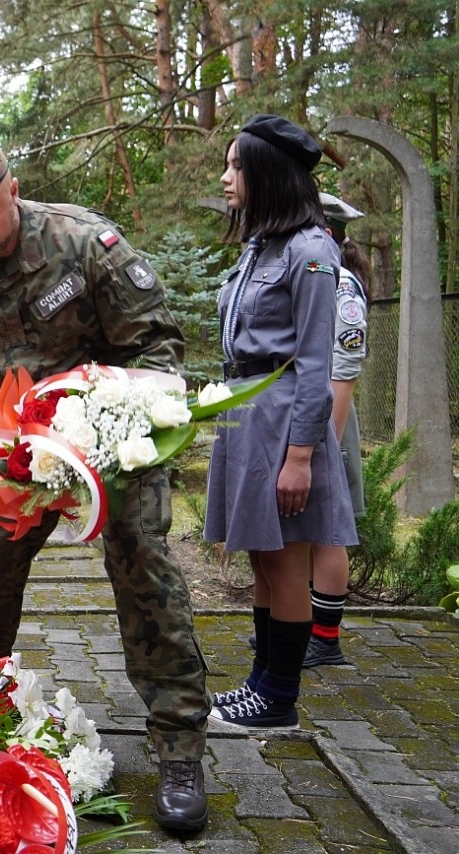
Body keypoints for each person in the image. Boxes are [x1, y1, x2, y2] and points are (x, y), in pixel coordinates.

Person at [0, 135, 210, 833]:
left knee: (146, 570)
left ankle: (178, 746)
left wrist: (109, 422)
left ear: (12, 190)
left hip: (109, 447)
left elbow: (157, 345)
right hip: (13, 454)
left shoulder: (84, 245)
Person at [205, 116, 358, 731]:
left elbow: (319, 362)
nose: (225, 178)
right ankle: (260, 682)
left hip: (284, 416)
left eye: (236, 165)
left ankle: (279, 700)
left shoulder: (312, 252)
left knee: (288, 559)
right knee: (264, 560)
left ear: (267, 174)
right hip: (249, 410)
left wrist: (300, 456)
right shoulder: (260, 247)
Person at [304, 193, 370, 667]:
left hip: (329, 414)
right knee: (308, 527)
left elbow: (344, 364)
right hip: (308, 411)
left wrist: (327, 438)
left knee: (328, 528)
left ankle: (325, 638)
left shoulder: (340, 284)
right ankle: (301, 625)